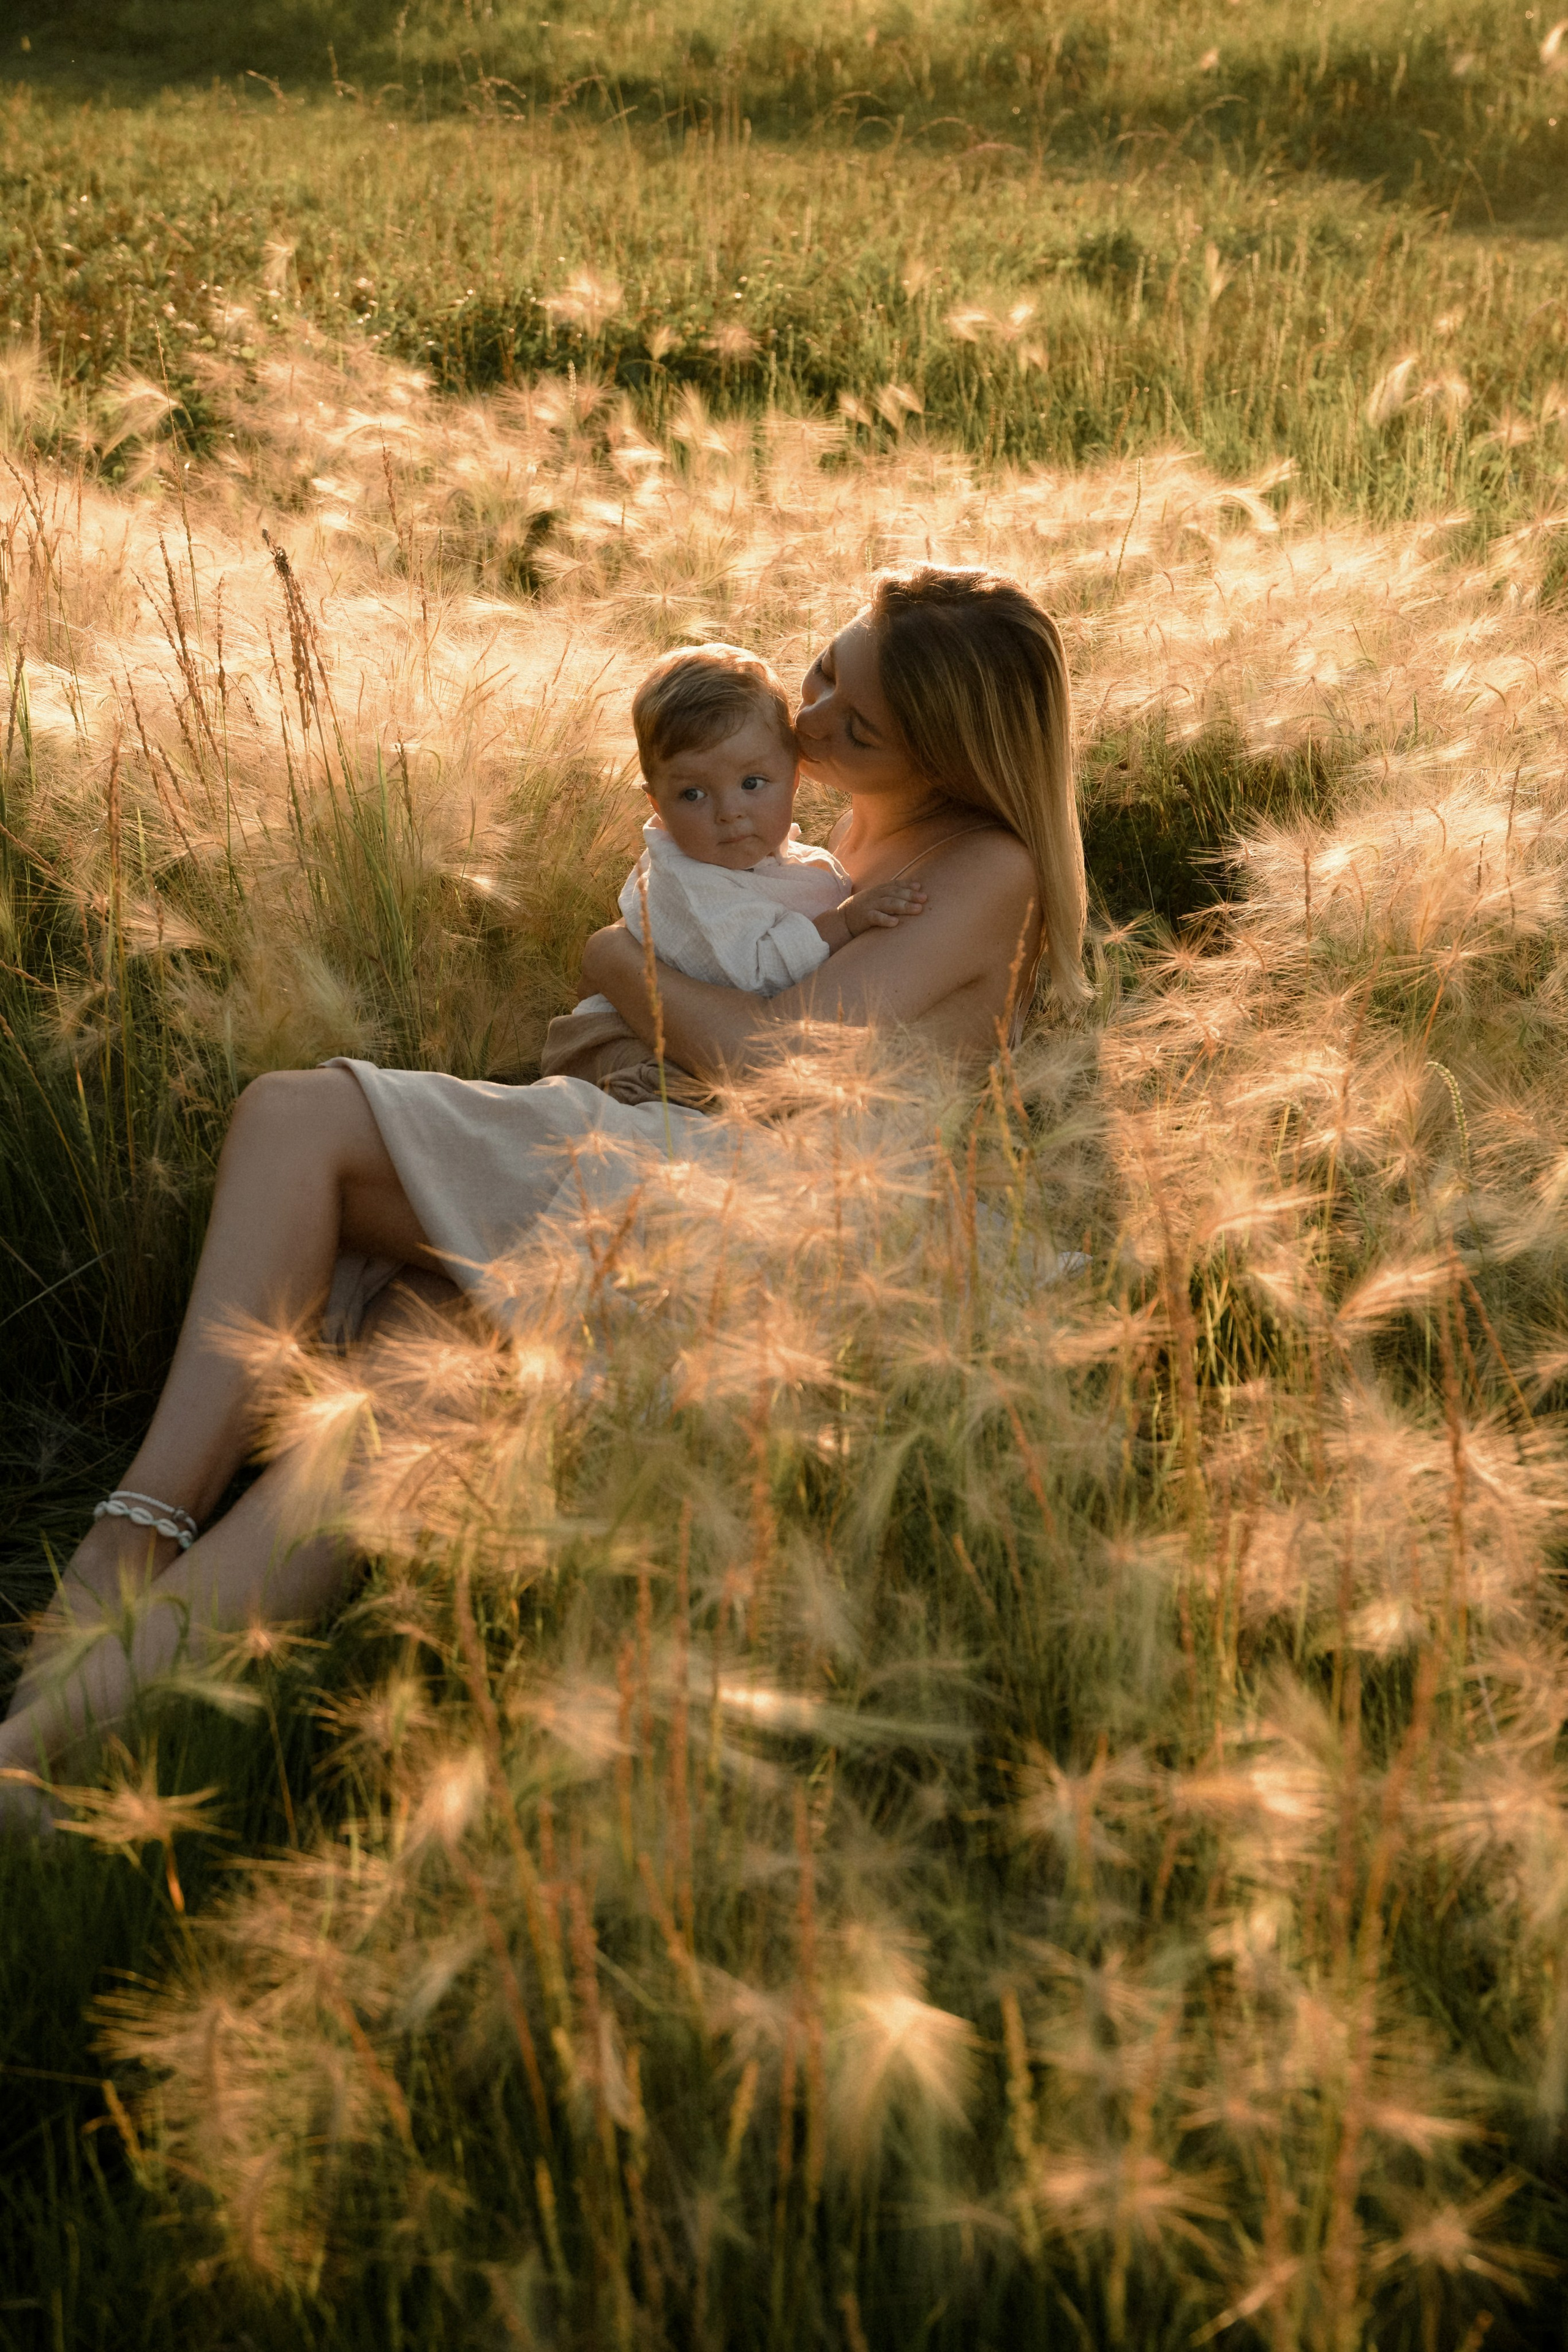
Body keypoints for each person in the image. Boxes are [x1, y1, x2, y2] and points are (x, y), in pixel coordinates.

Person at [0, 564, 1088, 1820]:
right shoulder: (856, 820)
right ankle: (43, 1751)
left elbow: (769, 1066)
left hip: (768, 1214)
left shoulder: (985, 864)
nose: (808, 715)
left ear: (950, 752)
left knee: (298, 1117)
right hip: (687, 1170)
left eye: (856, 717)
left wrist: (612, 961)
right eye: (827, 667)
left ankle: (136, 1523)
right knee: (396, 1401)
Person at [538, 639, 928, 1107]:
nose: (729, 813)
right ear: (656, 804)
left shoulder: (783, 856)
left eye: (752, 784)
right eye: (693, 795)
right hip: (614, 1038)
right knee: (661, 1095)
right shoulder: (688, 882)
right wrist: (844, 923)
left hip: (683, 1034)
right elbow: (755, 973)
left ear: (793, 777)